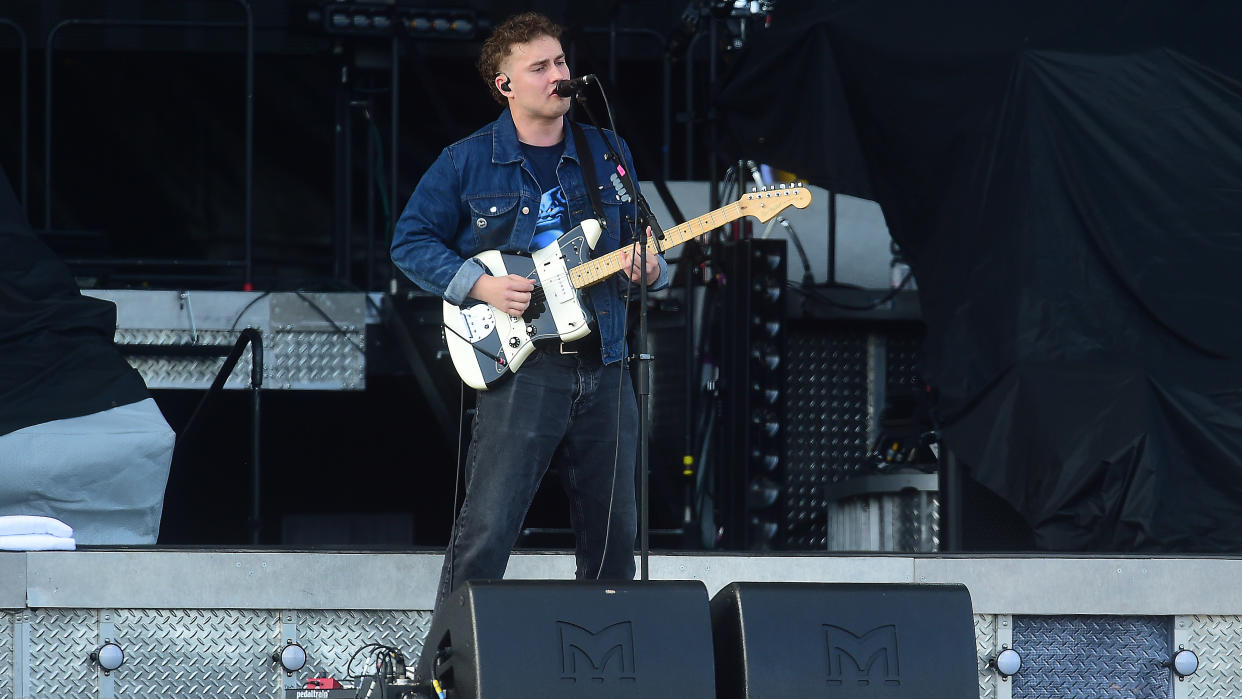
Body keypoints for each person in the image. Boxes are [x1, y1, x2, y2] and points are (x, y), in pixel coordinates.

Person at [390, 11, 669, 612]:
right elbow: (409, 243)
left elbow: (644, 241)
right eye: (539, 67)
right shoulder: (467, 160)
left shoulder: (606, 148)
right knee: (489, 531)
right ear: (506, 85)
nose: (557, 75)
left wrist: (650, 264)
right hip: (523, 367)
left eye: (561, 62)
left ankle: (608, 666)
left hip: (607, 359)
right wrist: (483, 288)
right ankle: (448, 671)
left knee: (615, 538)